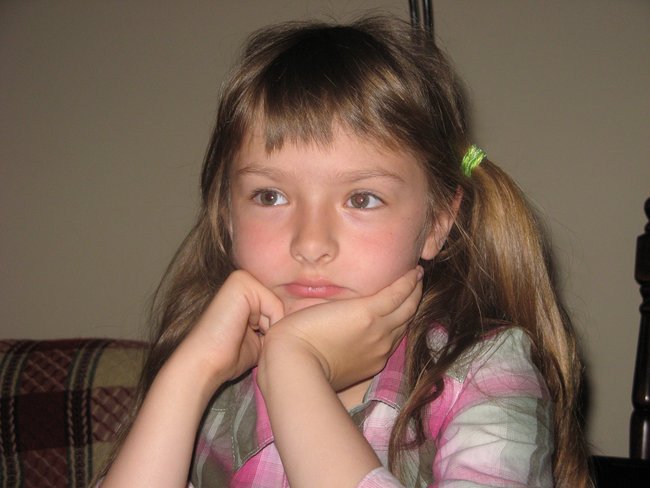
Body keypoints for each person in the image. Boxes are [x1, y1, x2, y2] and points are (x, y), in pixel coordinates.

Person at [99, 15, 591, 487]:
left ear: (437, 223)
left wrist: (294, 370)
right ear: (227, 216)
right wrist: (191, 373)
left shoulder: (483, 374)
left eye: (362, 199)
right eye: (270, 196)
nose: (310, 243)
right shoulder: (218, 379)